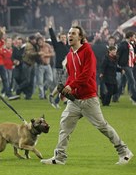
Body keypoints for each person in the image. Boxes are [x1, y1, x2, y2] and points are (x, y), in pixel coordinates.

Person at [41, 26, 133, 165]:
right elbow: (71, 76)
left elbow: (88, 73)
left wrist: (71, 86)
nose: (69, 35)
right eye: (69, 33)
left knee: (102, 126)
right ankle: (59, 158)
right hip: (75, 100)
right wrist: (64, 91)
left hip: (88, 98)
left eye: (73, 33)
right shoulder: (70, 55)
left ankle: (124, 152)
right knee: (64, 126)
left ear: (80, 37)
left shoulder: (87, 51)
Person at [117, 31, 136, 105]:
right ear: (130, 37)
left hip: (131, 65)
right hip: (125, 65)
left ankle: (115, 97)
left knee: (122, 82)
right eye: (134, 36)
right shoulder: (122, 45)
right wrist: (119, 65)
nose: (134, 38)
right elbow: (118, 55)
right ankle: (134, 98)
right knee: (132, 81)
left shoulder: (131, 45)